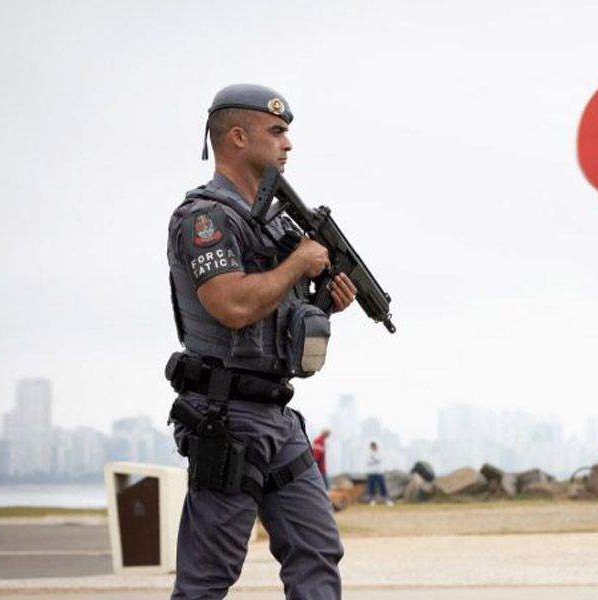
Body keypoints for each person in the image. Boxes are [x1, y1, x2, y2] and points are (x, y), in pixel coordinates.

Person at [166, 83, 358, 600]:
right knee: (209, 575)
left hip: (277, 413)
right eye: (276, 132)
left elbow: (274, 315)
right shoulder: (206, 219)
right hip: (227, 416)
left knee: (317, 551)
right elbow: (231, 305)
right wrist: (299, 263)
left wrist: (320, 300)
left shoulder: (276, 221)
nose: (287, 143)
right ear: (235, 136)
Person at [366, 441, 393, 506]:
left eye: (374, 445)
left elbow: (380, 459)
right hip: (371, 472)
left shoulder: (380, 452)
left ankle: (387, 500)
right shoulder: (368, 453)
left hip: (380, 472)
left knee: (382, 487)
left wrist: (374, 460)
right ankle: (372, 500)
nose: (373, 447)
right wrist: (374, 460)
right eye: (372, 446)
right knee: (371, 487)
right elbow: (368, 462)